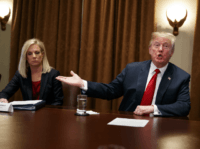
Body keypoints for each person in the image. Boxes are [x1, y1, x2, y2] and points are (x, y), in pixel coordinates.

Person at [56, 32, 191, 116]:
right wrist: (82, 83)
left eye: (166, 46)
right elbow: (111, 91)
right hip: (129, 122)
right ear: (150, 50)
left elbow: (184, 107)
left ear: (172, 52)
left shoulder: (181, 77)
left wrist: (153, 108)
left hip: (161, 127)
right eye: (156, 45)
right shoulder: (132, 69)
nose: (160, 49)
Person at [0, 38, 63, 105]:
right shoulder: (20, 74)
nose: (34, 56)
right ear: (26, 57)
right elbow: (4, 93)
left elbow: (58, 102)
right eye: (29, 53)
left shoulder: (53, 74)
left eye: (37, 53)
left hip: (47, 114)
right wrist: (2, 99)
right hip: (27, 113)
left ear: (42, 54)